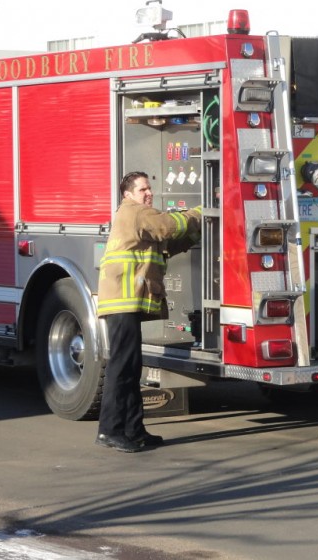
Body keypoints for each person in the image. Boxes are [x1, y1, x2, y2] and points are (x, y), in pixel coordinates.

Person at [96, 171, 201, 453]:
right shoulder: (134, 212)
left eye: (149, 188)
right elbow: (166, 226)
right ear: (128, 194)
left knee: (131, 368)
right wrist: (199, 213)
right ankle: (110, 430)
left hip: (128, 302)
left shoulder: (138, 217)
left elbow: (166, 244)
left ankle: (134, 430)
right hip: (122, 302)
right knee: (121, 368)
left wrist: (194, 233)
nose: (148, 193)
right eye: (142, 189)